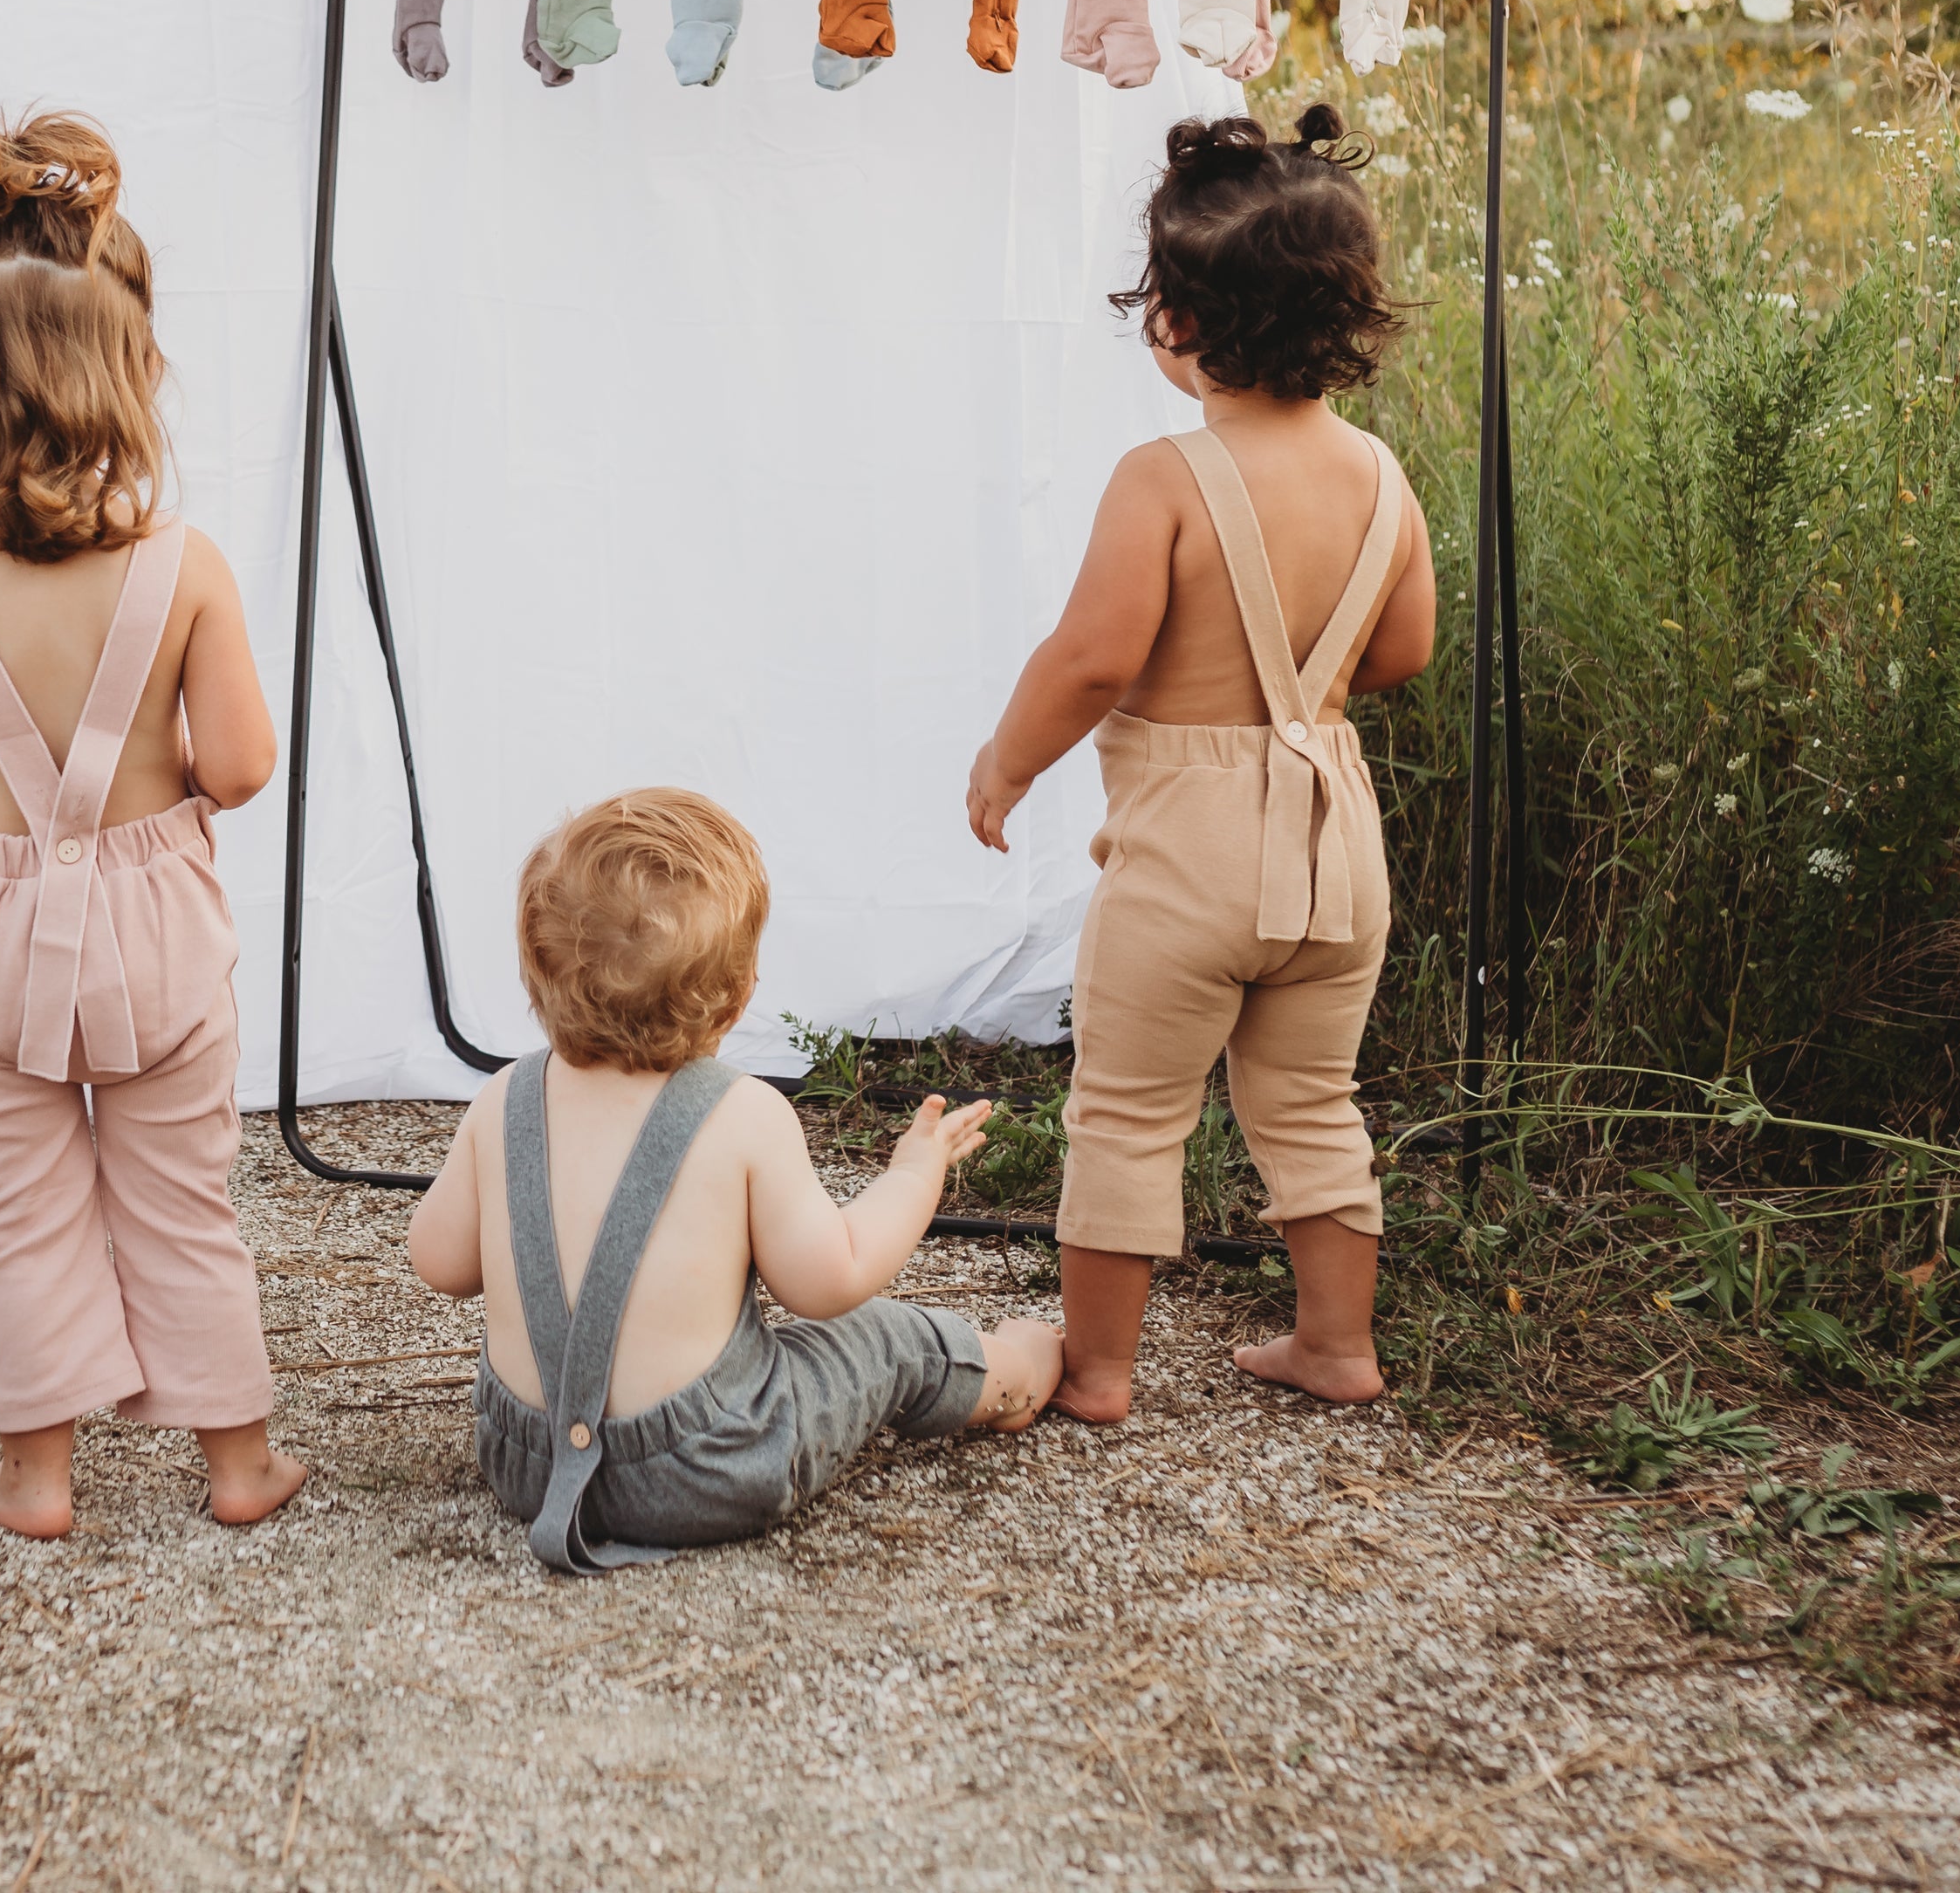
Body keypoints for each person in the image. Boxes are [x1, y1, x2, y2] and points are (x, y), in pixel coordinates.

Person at [0, 113, 304, 1540]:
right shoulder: (186, 565)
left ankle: (34, 1473)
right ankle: (237, 1465)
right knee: (182, 1199)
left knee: (21, 1208)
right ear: (134, 369)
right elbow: (238, 761)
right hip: (155, 925)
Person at [963, 106, 1436, 1423]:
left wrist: (1009, 760)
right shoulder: (1382, 478)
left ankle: (1102, 1369)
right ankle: (1338, 1346)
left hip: (1188, 855)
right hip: (1335, 844)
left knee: (1124, 1109)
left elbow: (1093, 659)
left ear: (1174, 321)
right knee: (1311, 1102)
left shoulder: (1163, 478)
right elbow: (1403, 651)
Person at [408, 790, 1060, 1574]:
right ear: (743, 989)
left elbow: (440, 1264)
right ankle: (1017, 1377)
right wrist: (914, 1174)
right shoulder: (744, 1115)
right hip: (706, 1469)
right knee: (884, 1339)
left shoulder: (501, 1101)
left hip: (529, 1463)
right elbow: (832, 1279)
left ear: (534, 970)